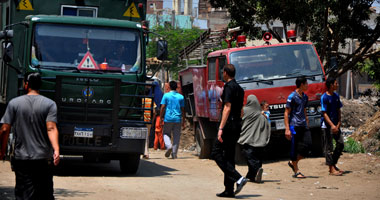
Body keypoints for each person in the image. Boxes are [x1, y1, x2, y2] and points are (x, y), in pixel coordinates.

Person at [0, 72, 60, 199]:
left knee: (24, 195)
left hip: (22, 159)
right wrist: (56, 149)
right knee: (45, 194)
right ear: (40, 85)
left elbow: (5, 129)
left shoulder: (14, 103)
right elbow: (51, 128)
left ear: (26, 85)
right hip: (43, 158)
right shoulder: (50, 104)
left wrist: (2, 150)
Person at [210, 64, 248, 198]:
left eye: (222, 72)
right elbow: (242, 110)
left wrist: (221, 128)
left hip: (229, 125)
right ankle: (229, 189)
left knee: (216, 152)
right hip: (237, 123)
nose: (222, 74)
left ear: (226, 73)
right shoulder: (239, 88)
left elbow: (227, 107)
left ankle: (238, 178)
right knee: (229, 156)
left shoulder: (228, 87)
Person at [238, 95, 271, 183]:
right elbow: (267, 125)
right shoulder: (261, 113)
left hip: (248, 139)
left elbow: (239, 120)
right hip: (260, 141)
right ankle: (252, 176)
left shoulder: (244, 110)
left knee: (250, 157)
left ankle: (256, 171)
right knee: (258, 157)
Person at [284, 76, 312, 179]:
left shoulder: (305, 97)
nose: (307, 85)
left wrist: (307, 121)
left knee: (308, 146)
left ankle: (293, 162)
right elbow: (286, 113)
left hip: (303, 125)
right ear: (301, 85)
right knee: (294, 148)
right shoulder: (292, 97)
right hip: (294, 125)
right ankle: (296, 171)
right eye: (306, 84)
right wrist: (287, 129)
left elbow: (304, 110)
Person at [321, 77, 344, 176]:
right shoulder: (324, 97)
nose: (337, 85)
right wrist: (332, 125)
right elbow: (324, 113)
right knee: (328, 147)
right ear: (331, 85)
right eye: (336, 83)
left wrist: (338, 124)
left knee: (340, 143)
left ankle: (333, 163)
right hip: (327, 126)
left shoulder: (336, 96)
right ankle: (331, 168)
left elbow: (339, 110)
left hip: (336, 125)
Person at [160, 81, 185, 159]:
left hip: (168, 118)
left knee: (166, 134)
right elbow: (183, 109)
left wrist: (161, 117)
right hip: (178, 119)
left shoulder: (166, 95)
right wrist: (183, 119)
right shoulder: (181, 97)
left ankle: (169, 146)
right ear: (176, 87)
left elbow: (163, 107)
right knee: (176, 136)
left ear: (169, 87)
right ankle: (174, 153)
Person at [142, 87, 156, 159]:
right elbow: (154, 112)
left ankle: (142, 152)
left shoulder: (141, 100)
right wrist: (152, 121)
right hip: (148, 120)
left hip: (142, 120)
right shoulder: (151, 101)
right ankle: (146, 153)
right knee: (147, 137)